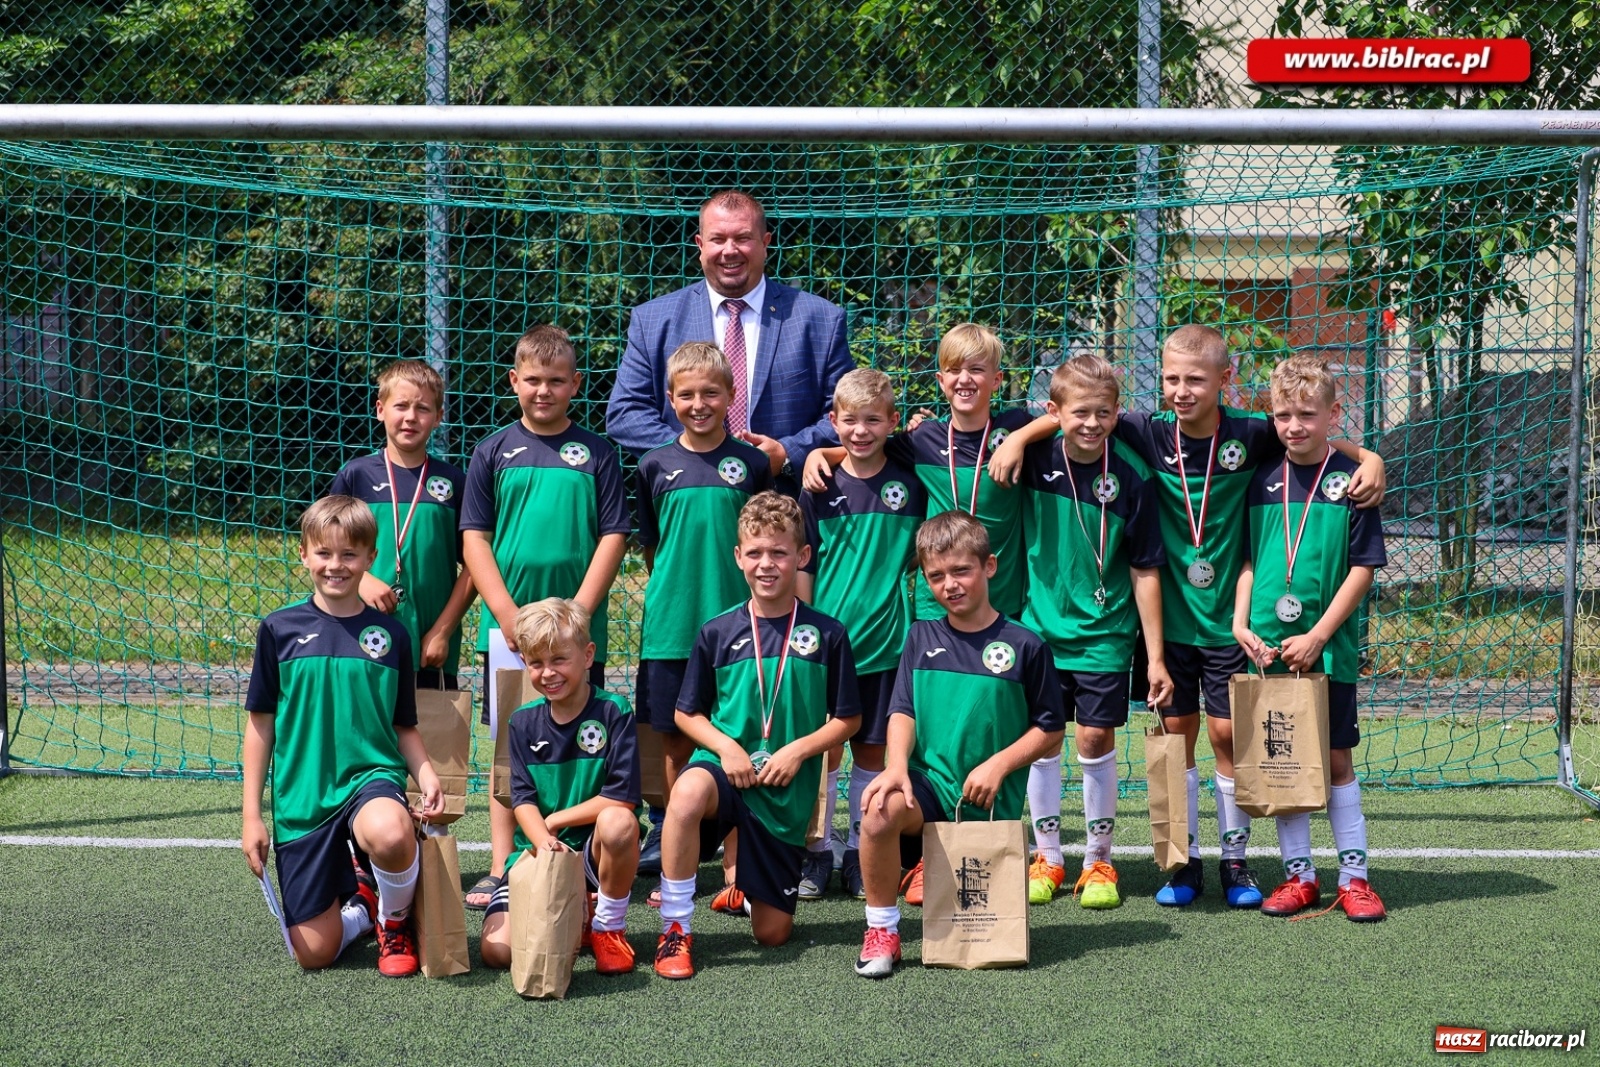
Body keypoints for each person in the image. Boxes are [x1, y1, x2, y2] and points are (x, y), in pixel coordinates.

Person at [987, 324, 1385, 908]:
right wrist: (1019, 437)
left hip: (1232, 626)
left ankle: (1235, 861)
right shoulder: (1147, 430)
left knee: (1228, 736)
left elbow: (1311, 434)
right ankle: (1180, 860)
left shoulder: (1253, 434)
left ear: (1225, 380)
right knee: (1174, 741)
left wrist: (1369, 456)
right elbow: (1078, 411)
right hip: (1168, 624)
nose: (1181, 390)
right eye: (1171, 378)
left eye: (1195, 379)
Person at [652, 492, 860, 979]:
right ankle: (675, 929)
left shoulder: (828, 634)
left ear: (802, 556)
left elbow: (847, 719)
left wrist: (799, 750)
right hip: (727, 770)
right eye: (756, 552)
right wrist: (725, 747)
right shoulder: (717, 632)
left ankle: (745, 886)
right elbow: (687, 714)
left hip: (784, 790)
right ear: (738, 557)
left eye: (779, 552)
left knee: (772, 934)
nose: (767, 564)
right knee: (687, 793)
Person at [459, 325, 630, 910]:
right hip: (511, 638)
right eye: (532, 379)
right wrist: (507, 616)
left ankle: (583, 858)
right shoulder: (492, 451)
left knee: (584, 743)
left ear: (575, 384)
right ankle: (503, 863)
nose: (543, 390)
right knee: (509, 752)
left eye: (556, 380)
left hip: (576, 635)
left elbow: (614, 535)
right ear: (514, 381)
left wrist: (579, 612)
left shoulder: (598, 453)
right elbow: (475, 539)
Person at [852, 510, 1065, 979]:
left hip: (988, 799)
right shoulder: (919, 636)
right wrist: (896, 767)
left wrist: (999, 765)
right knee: (879, 811)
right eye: (936, 576)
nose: (949, 584)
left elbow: (1050, 728)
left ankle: (930, 876)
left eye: (961, 570)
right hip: (929, 786)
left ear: (989, 566)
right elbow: (902, 710)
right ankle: (883, 931)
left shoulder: (1026, 644)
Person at [241, 495, 443, 977]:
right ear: (304, 555)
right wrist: (251, 816)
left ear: (371, 558)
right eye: (324, 553)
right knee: (314, 953)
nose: (336, 565)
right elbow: (260, 724)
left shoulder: (391, 637)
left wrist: (427, 774)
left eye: (349, 554)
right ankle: (363, 907)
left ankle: (394, 922)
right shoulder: (279, 630)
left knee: (390, 831)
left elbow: (403, 724)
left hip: (370, 778)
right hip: (303, 798)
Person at [1234, 355, 1388, 921]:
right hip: (1268, 651)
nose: (1294, 426)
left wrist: (1320, 634)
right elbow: (1248, 561)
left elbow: (1363, 569)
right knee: (1284, 762)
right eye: (1283, 415)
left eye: (1306, 415)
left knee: (1336, 760)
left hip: (1327, 650)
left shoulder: (1353, 484)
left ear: (1333, 414)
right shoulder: (1259, 480)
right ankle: (1299, 876)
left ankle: (1355, 879)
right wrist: (1240, 624)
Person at [1018, 355, 1171, 909]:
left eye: (1103, 412)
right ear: (1054, 411)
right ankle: (1048, 857)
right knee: (1043, 739)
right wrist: (1018, 440)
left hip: (1106, 633)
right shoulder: (1032, 459)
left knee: (1094, 739)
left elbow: (1145, 568)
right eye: (1079, 411)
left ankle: (1098, 860)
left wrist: (1155, 658)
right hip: (1039, 630)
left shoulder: (1132, 475)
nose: (1092, 423)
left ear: (1117, 411)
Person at [634, 342, 773, 895]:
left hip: (739, 629)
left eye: (711, 393)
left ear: (731, 395)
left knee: (739, 737)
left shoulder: (754, 464)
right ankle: (681, 862)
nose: (699, 404)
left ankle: (738, 868)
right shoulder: (652, 464)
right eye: (687, 394)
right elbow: (653, 548)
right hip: (672, 627)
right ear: (670, 399)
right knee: (674, 743)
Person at [605, 189, 854, 493]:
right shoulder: (653, 320)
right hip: (689, 497)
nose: (730, 250)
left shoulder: (821, 320)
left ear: (765, 243)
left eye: (743, 238)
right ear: (700, 245)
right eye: (718, 239)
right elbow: (626, 413)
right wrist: (692, 455)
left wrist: (787, 454)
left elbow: (846, 414)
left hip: (786, 504)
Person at [798, 368, 927, 899]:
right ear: (833, 421)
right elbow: (805, 566)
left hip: (888, 645)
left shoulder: (912, 482)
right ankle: (815, 852)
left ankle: (858, 852)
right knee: (824, 754)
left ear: (892, 421)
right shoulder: (818, 486)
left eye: (873, 420)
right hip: (828, 648)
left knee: (872, 756)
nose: (860, 431)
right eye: (849, 420)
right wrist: (803, 632)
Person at [804, 323, 1033, 621]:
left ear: (997, 380)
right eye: (954, 370)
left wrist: (1020, 438)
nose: (964, 378)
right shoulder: (924, 438)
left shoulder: (1015, 427)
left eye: (976, 370)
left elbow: (1061, 418)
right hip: (935, 604)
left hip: (1000, 595)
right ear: (941, 380)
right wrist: (820, 453)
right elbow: (870, 446)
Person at [480, 598, 642, 974]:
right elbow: (522, 799)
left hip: (591, 853)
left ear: (588, 656)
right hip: (539, 853)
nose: (548, 673)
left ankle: (607, 925)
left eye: (559, 660)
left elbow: (621, 797)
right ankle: (574, 915)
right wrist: (542, 841)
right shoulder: (522, 722)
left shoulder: (614, 712)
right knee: (497, 953)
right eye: (536, 663)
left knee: (619, 824)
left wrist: (555, 822)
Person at [329, 359, 475, 692]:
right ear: (380, 410)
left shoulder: (453, 482)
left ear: (438, 417)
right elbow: (322, 551)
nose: (411, 417)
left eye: (423, 408)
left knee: (428, 725)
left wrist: (442, 630)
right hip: (358, 634)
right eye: (401, 406)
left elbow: (475, 565)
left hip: (428, 645)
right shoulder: (355, 476)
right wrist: (360, 580)